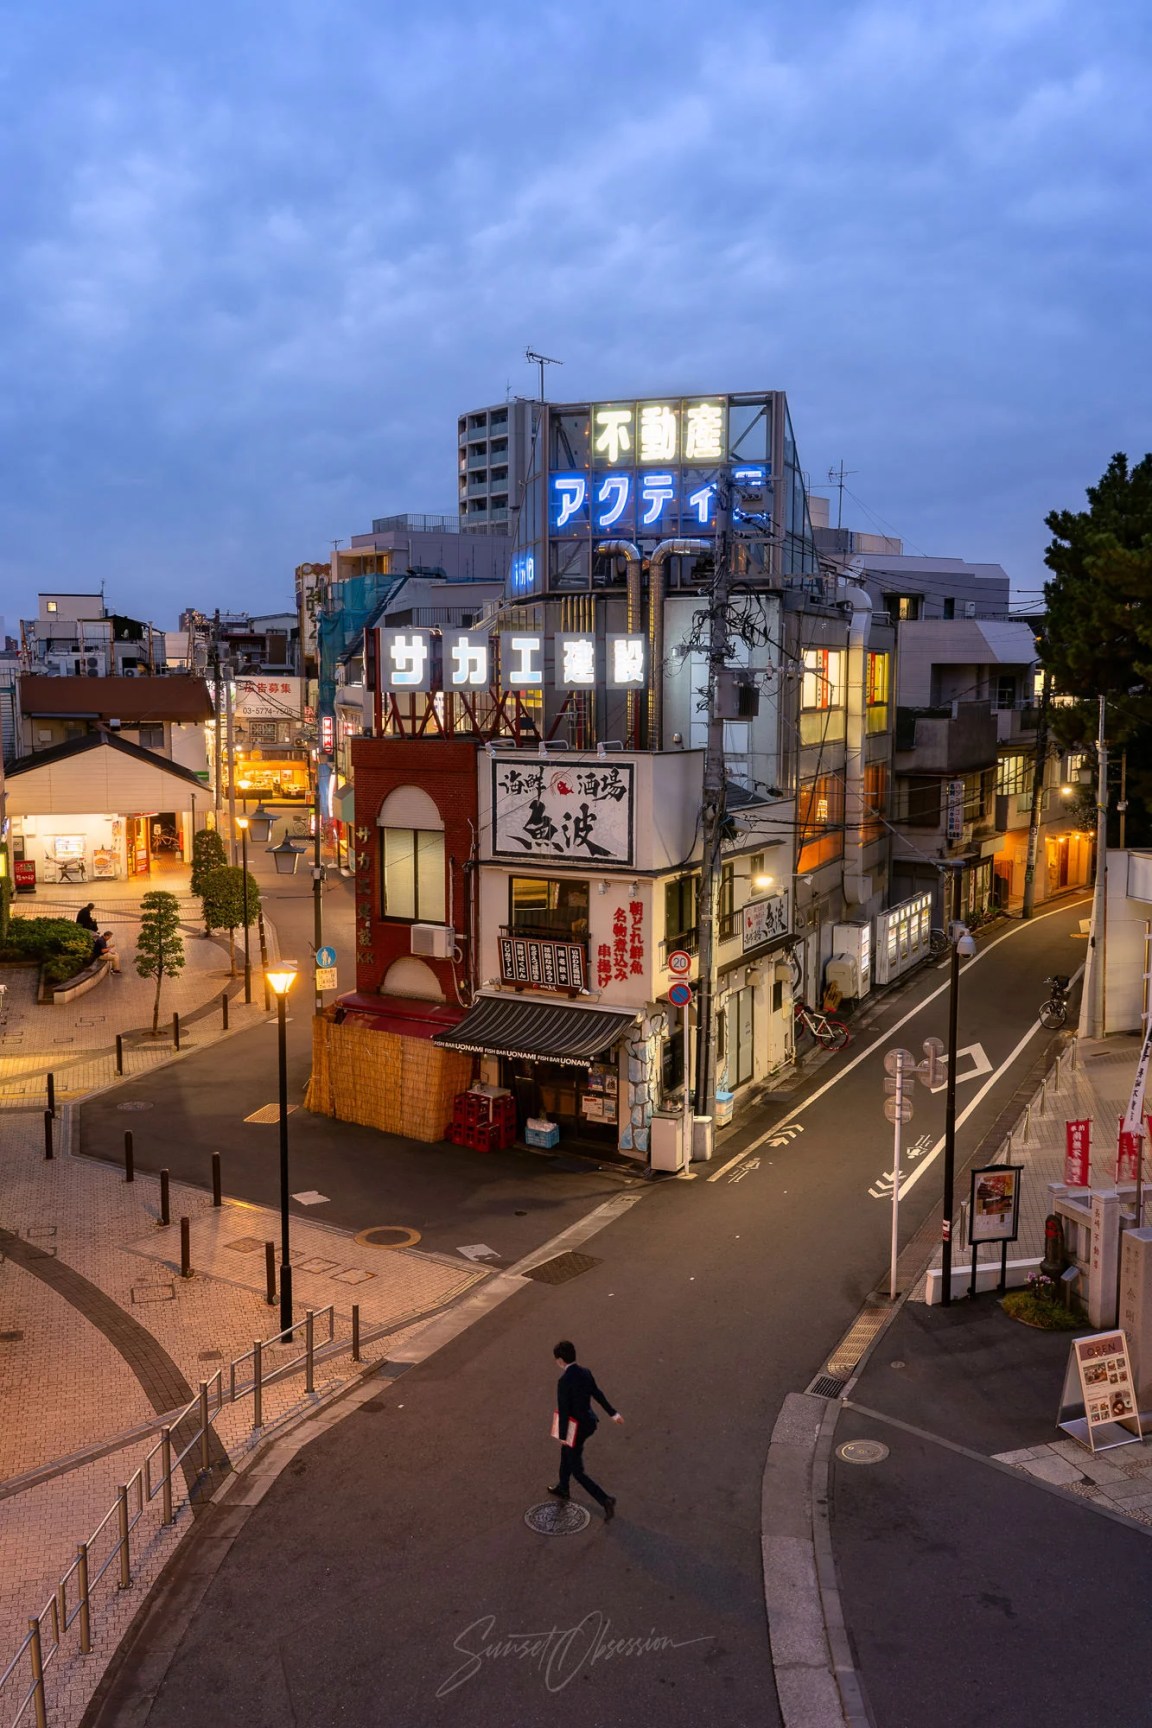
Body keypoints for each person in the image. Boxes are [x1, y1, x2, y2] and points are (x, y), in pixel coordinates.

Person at [548, 1340, 623, 1520]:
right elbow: (597, 1394)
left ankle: (605, 1499)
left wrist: (563, 1435)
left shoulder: (564, 1381)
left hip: (576, 1429)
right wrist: (613, 1414)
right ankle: (563, 1487)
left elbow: (564, 1410)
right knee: (566, 1453)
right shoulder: (585, 1372)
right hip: (589, 1424)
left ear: (560, 1360)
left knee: (577, 1470)